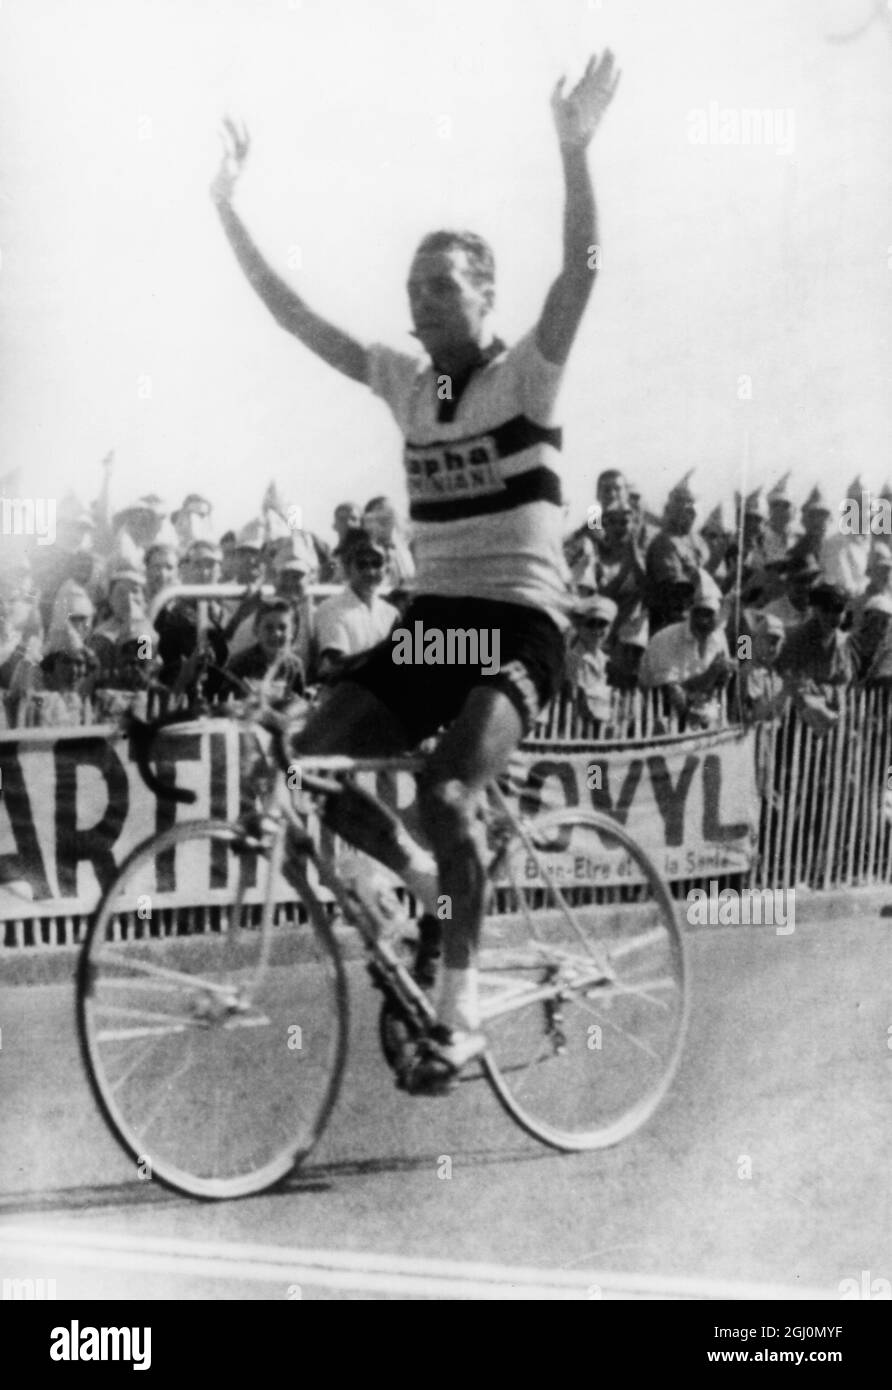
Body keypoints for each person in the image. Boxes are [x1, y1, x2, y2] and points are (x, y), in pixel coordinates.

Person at [212, 49, 621, 1090]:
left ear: (484, 293)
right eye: (414, 289)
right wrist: (228, 209)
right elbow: (293, 318)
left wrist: (571, 152)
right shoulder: (401, 381)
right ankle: (428, 878)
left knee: (448, 783)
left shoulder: (525, 372)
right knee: (302, 770)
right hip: (435, 621)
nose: (424, 301)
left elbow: (578, 270)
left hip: (521, 620)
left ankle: (461, 1010)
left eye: (443, 285)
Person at [638, 568, 734, 727]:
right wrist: (710, 675)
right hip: (662, 721)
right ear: (691, 611)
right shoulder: (666, 639)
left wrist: (728, 671)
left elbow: (744, 644)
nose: (704, 620)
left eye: (709, 614)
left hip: (708, 719)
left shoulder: (723, 635)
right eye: (699, 613)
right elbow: (669, 692)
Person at [313, 531, 399, 682]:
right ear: (347, 568)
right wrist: (385, 650)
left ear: (386, 568)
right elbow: (334, 665)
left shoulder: (392, 613)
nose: (370, 571)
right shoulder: (330, 609)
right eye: (362, 564)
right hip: (344, 699)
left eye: (377, 563)